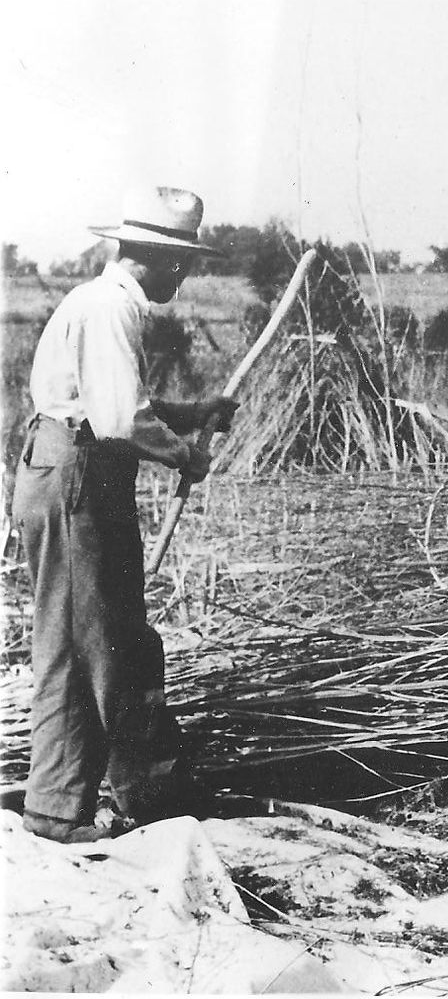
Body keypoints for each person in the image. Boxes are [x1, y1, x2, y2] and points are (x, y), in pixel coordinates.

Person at [13, 186, 237, 843]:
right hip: (81, 475)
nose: (186, 274)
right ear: (163, 261)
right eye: (184, 262)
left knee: (79, 640)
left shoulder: (95, 302)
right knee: (110, 646)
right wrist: (183, 455)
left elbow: (112, 401)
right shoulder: (114, 309)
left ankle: (77, 802)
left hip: (65, 470)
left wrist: (190, 416)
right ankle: (140, 798)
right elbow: (116, 420)